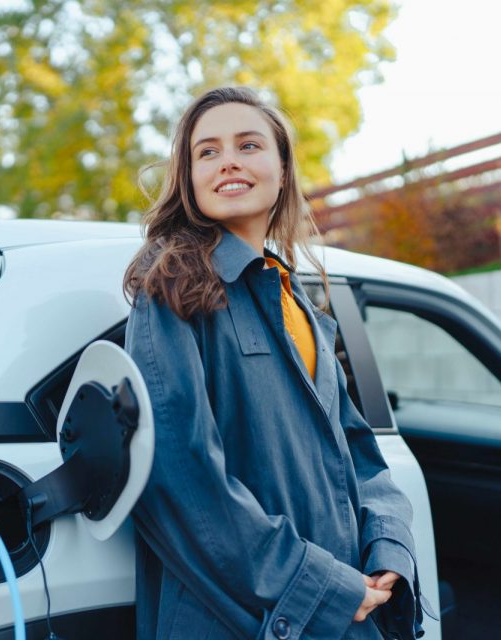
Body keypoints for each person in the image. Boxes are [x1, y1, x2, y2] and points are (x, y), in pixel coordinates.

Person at [122, 86, 434, 640]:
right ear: (189, 177)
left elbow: (358, 450)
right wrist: (319, 584)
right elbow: (180, 476)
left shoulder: (300, 306)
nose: (229, 162)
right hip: (249, 616)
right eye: (208, 152)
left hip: (345, 610)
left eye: (248, 144)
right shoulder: (171, 285)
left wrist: (387, 544)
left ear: (283, 170)